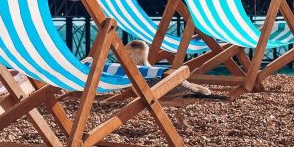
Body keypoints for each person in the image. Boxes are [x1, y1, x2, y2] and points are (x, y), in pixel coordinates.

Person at [84, 39, 213, 97]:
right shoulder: (150, 70)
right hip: (175, 80)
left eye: (128, 51)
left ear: (135, 52)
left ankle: (196, 90)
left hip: (173, 89)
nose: (126, 54)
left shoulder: (142, 74)